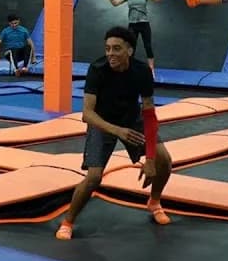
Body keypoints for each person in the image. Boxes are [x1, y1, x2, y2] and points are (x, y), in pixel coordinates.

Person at [55, 26, 172, 240]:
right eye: (107, 48)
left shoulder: (142, 71)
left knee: (164, 160)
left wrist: (150, 159)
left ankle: (154, 201)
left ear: (129, 51)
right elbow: (87, 114)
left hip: (132, 120)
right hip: (102, 122)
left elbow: (149, 113)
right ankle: (68, 221)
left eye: (116, 48)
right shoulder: (97, 69)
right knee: (93, 177)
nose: (110, 53)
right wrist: (118, 131)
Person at [106, 0, 162, 77]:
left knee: (148, 46)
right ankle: (129, 68)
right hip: (133, 25)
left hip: (144, 24)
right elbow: (115, 3)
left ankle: (151, 69)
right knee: (131, 47)